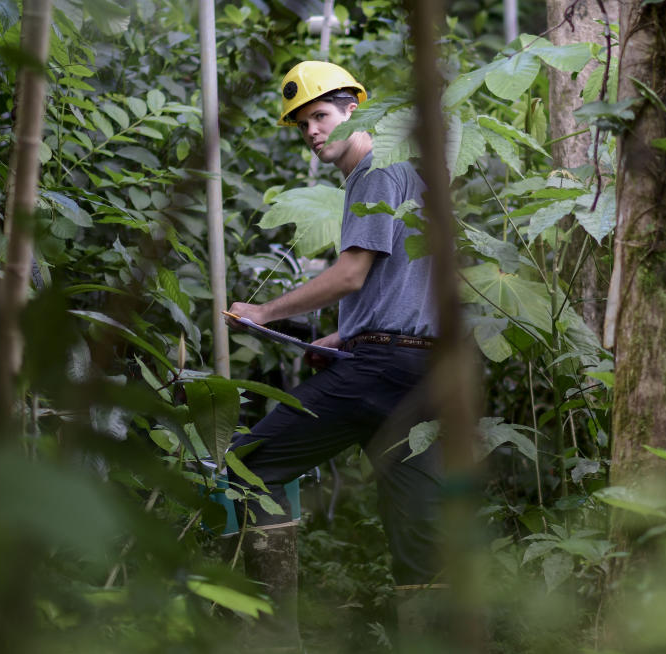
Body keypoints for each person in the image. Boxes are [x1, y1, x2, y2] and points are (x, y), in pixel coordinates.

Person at [225, 60, 444, 649]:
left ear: (356, 110)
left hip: (376, 373)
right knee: (418, 526)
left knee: (250, 466)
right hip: (419, 371)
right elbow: (401, 285)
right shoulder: (408, 172)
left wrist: (264, 312)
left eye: (321, 116)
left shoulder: (374, 171)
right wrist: (347, 337)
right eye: (303, 125)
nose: (313, 132)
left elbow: (350, 276)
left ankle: (276, 637)